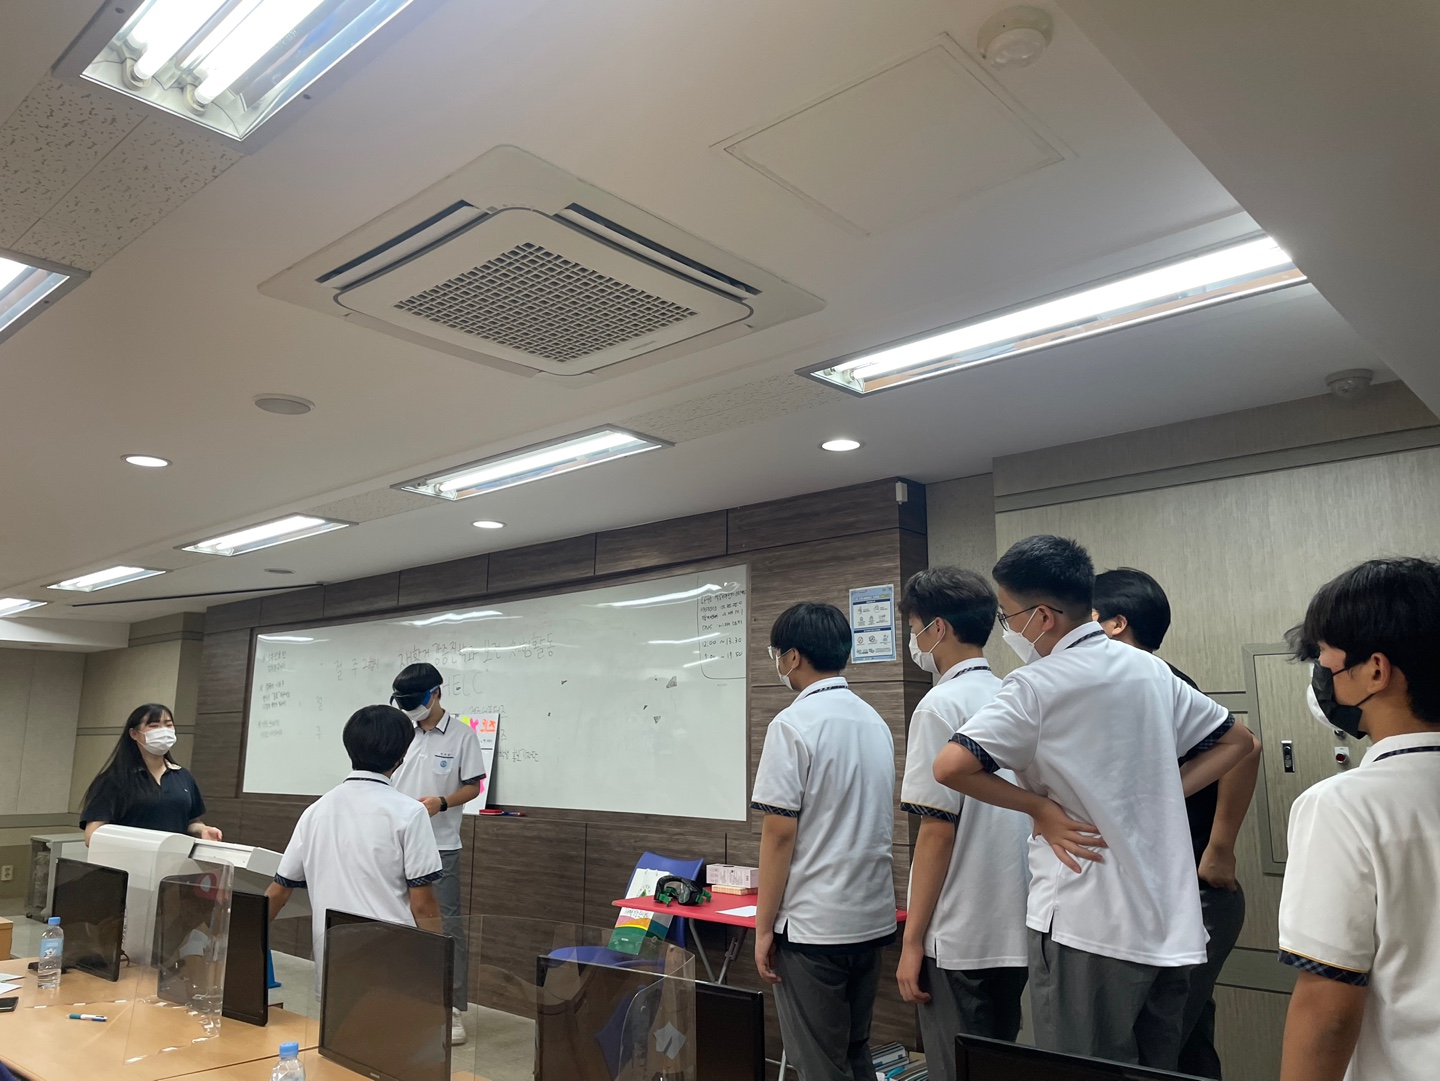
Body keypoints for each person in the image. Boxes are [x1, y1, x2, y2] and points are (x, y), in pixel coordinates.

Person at [932, 535, 1254, 1069]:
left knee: (1080, 1069)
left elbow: (950, 766)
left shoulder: (1035, 685)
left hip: (1085, 920)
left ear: (1042, 617)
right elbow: (1238, 742)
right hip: (1168, 923)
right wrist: (1158, 791)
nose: (1007, 629)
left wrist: (1040, 809)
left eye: (1008, 616)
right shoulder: (1149, 670)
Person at [1093, 567, 1263, 1079]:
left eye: (1088, 617)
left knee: (1157, 1048)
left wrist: (1220, 849)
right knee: (1186, 1043)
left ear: (1117, 624)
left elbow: (1246, 747)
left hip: (1195, 892)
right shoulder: (1133, 682)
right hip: (1169, 893)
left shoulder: (1151, 680)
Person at [1277, 557, 1440, 1081]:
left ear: (1375, 670)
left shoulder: (1342, 807)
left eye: (1323, 658)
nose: (1320, 676)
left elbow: (1326, 1010)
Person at [751, 602, 896, 1081]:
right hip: (871, 919)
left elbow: (779, 833)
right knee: (856, 1051)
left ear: (792, 657)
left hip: (814, 928)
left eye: (777, 653)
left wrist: (763, 928)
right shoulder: (874, 721)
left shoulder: (792, 724)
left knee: (820, 1064)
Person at [894, 567, 1029, 1081]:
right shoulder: (1014, 694)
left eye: (914, 628)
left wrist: (912, 943)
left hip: (959, 933)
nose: (913, 641)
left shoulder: (939, 705)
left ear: (938, 629)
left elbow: (937, 831)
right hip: (1018, 924)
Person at [264, 705, 442, 984]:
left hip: (332, 960)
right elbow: (422, 904)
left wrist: (239, 941)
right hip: (392, 960)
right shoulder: (410, 812)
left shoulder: (315, 811)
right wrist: (438, 964)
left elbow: (278, 893)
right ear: (402, 753)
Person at [389, 663, 487, 1046]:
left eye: (414, 700)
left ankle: (451, 1008)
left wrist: (441, 803)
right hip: (396, 842)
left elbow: (473, 787)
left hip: (441, 845)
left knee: (446, 927)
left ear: (436, 693)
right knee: (397, 921)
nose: (409, 709)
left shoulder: (462, 735)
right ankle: (407, 997)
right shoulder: (401, 734)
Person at [80, 702, 223, 845]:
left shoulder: (183, 776)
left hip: (173, 857)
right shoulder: (113, 780)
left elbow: (191, 822)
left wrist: (203, 830)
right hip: (130, 857)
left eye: (168, 725)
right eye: (154, 726)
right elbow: (92, 836)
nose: (163, 731)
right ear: (134, 734)